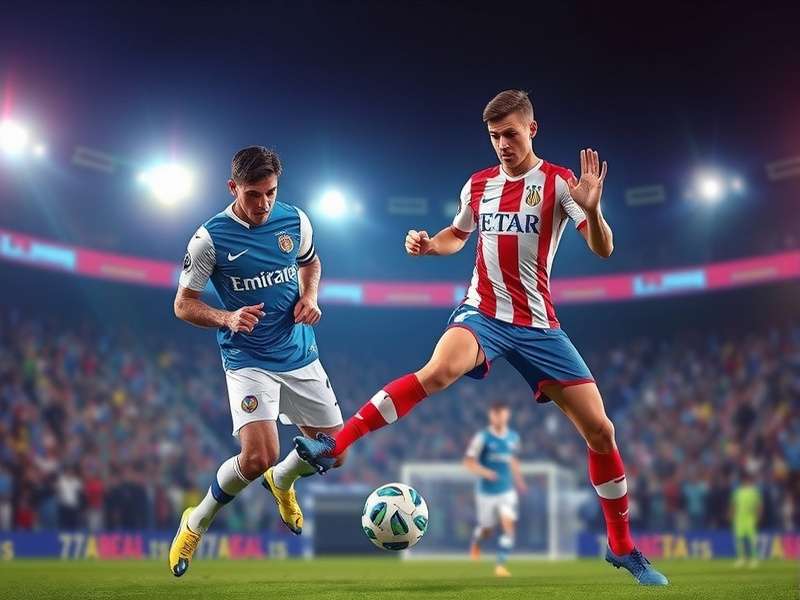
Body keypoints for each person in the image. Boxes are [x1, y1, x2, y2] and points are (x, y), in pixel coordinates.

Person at [296, 90, 668, 585]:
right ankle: (333, 444)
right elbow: (458, 233)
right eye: (494, 137)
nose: (502, 145)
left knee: (601, 432)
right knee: (438, 371)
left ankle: (622, 548)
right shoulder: (477, 185)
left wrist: (594, 211)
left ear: (532, 130)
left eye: (510, 134)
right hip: (483, 313)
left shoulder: (559, 183)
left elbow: (603, 249)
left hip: (539, 325)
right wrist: (430, 244)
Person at [168, 146, 345, 577]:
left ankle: (282, 482)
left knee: (336, 451)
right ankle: (196, 521)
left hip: (300, 353)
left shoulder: (295, 220)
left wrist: (310, 296)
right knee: (257, 457)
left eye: (270, 192)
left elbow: (311, 262)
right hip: (249, 360)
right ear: (233, 188)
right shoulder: (209, 238)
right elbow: (183, 304)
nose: (263, 203)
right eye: (253, 194)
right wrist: (227, 316)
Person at [463, 401, 526, 577]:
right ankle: (476, 541)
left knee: (508, 526)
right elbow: (468, 462)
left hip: (507, 490)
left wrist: (519, 481)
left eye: (502, 413)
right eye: (495, 413)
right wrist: (485, 472)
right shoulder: (482, 438)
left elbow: (513, 460)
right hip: (486, 492)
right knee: (487, 529)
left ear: (507, 415)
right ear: (491, 415)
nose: (499, 416)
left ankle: (500, 565)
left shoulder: (514, 438)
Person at [731, 471, 762, 568]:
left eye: (747, 480)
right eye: (744, 480)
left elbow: (759, 505)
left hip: (750, 519)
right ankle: (741, 559)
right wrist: (732, 515)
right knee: (739, 540)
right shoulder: (738, 492)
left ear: (750, 480)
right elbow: (734, 505)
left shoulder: (754, 492)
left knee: (752, 540)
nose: (745, 481)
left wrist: (758, 516)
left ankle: (754, 559)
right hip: (739, 519)